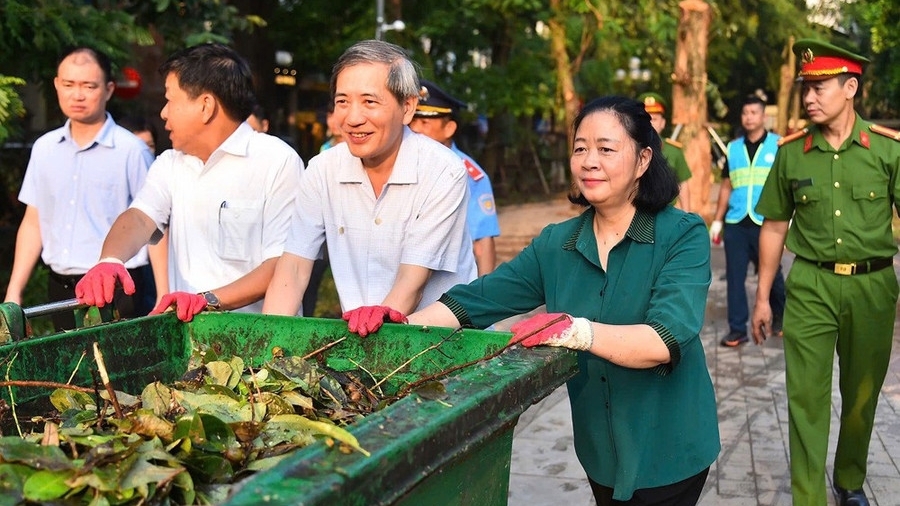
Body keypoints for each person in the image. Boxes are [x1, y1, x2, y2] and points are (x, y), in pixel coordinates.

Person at [345, 96, 719, 504]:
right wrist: (401, 323)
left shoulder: (681, 235)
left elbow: (664, 340)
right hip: (600, 453)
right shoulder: (557, 244)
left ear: (643, 160)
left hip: (670, 448)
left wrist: (578, 331)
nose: (589, 161)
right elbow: (473, 302)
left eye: (606, 149)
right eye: (580, 148)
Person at [751, 39, 899, 506]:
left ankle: (850, 480)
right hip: (811, 285)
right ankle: (809, 497)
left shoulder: (888, 150)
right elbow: (775, 226)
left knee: (861, 396)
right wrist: (762, 297)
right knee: (806, 399)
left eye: (820, 87)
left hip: (873, 285)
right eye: (805, 88)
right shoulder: (792, 153)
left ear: (851, 87)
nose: (809, 97)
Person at [74, 43, 303, 321]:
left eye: (170, 100)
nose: (163, 113)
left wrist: (205, 300)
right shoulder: (172, 162)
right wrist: (110, 261)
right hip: (187, 340)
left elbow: (283, 266)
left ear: (205, 106)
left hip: (259, 341)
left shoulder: (277, 161)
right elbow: (140, 218)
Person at [262, 40, 477, 320]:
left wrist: (371, 338)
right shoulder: (322, 169)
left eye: (369, 102)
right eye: (342, 102)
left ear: (408, 107)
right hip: (361, 338)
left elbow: (411, 284)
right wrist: (267, 348)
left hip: (440, 343)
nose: (352, 118)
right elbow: (293, 268)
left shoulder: (442, 171)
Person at [3, 47, 155, 330]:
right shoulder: (44, 148)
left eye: (89, 86)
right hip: (60, 288)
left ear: (108, 89)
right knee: (67, 372)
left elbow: (155, 224)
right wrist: (15, 291)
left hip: (118, 290)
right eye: (69, 84)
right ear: (57, 85)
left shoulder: (131, 151)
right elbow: (34, 222)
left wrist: (163, 297)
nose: (78, 95)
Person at [709, 94, 786, 347]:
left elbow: (786, 186)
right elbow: (726, 186)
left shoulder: (779, 145)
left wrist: (789, 220)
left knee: (772, 275)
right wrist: (718, 220)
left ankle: (780, 318)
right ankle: (737, 329)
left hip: (767, 223)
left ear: (764, 116)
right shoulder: (733, 148)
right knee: (734, 277)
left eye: (754, 113)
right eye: (745, 113)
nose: (749, 117)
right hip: (736, 223)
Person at [409, 79, 501, 276]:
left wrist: (482, 296)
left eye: (424, 122)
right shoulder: (399, 164)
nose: (415, 128)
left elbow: (483, 241)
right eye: (413, 121)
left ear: (449, 129)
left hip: (448, 283)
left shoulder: (469, 174)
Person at [639, 92, 692, 211]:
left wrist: (687, 218)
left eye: (654, 119)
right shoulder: (628, 150)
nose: (650, 123)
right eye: (646, 118)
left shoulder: (674, 151)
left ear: (663, 123)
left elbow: (683, 185)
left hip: (666, 213)